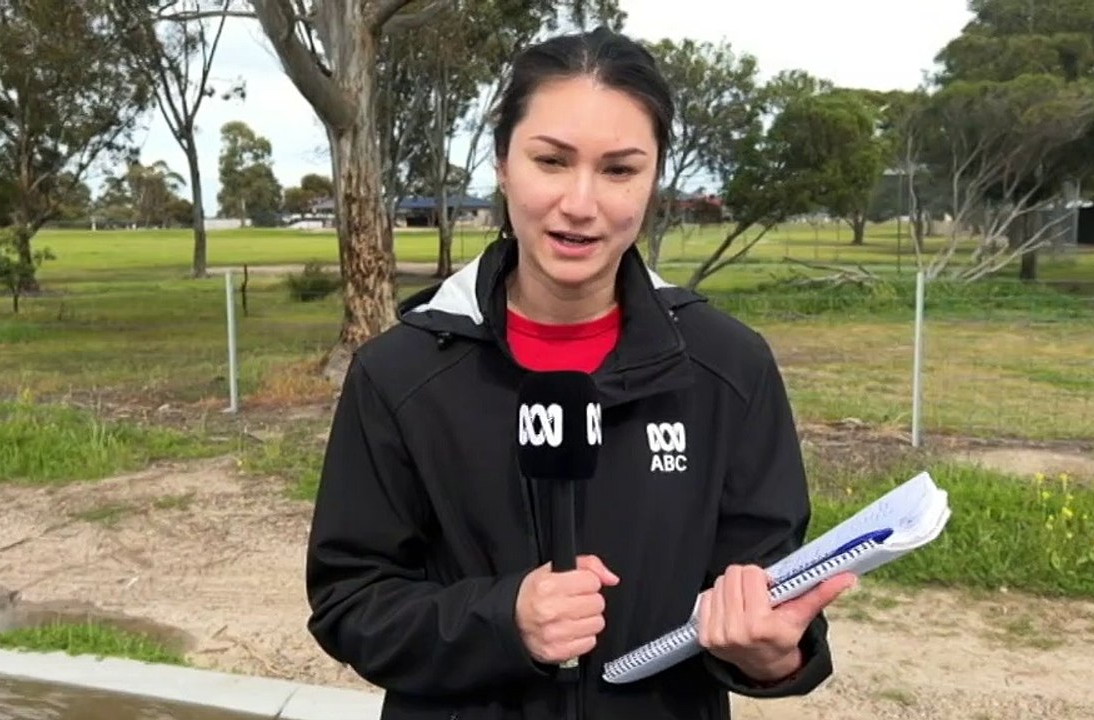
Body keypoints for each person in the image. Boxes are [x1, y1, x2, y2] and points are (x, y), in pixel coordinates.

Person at [305, 25, 856, 720]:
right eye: (552, 161)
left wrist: (776, 653)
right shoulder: (400, 373)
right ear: (503, 164)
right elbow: (351, 600)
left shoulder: (727, 368)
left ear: (654, 179)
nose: (581, 203)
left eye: (619, 169)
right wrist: (504, 619)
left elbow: (767, 589)